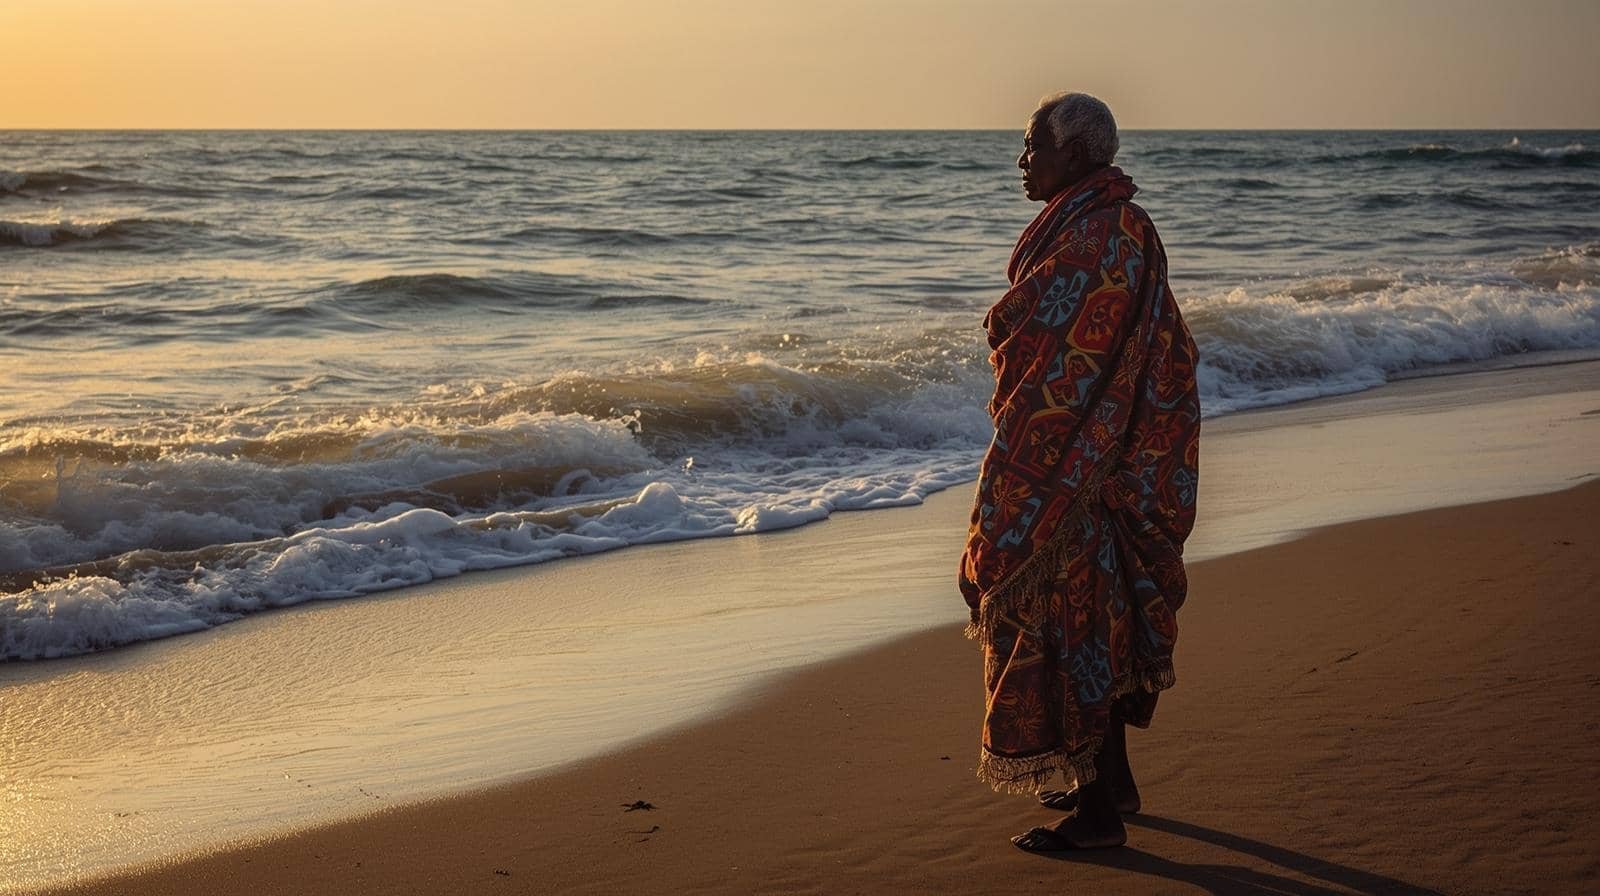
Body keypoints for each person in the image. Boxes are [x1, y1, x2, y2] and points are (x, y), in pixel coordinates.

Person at [958, 92, 1201, 853]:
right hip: (1107, 457)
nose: (1023, 161)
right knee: (1098, 621)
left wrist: (1053, 455)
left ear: (1076, 153)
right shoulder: (1108, 222)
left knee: (1078, 623)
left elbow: (1069, 350)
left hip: (1086, 464)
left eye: (1033, 145)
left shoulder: (1103, 231)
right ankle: (1113, 785)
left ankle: (1097, 819)